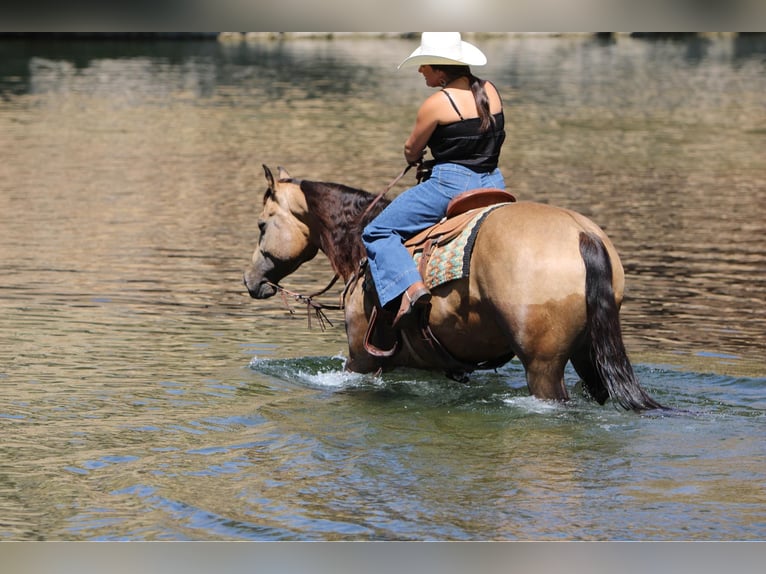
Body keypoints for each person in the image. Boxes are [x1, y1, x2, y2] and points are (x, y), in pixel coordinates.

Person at [362, 32, 506, 328]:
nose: (420, 70)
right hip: (494, 183)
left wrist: (414, 157)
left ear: (440, 70)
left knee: (377, 230)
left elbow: (411, 149)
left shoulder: (437, 103)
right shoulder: (490, 90)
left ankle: (412, 288)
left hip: (451, 184)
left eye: (424, 65)